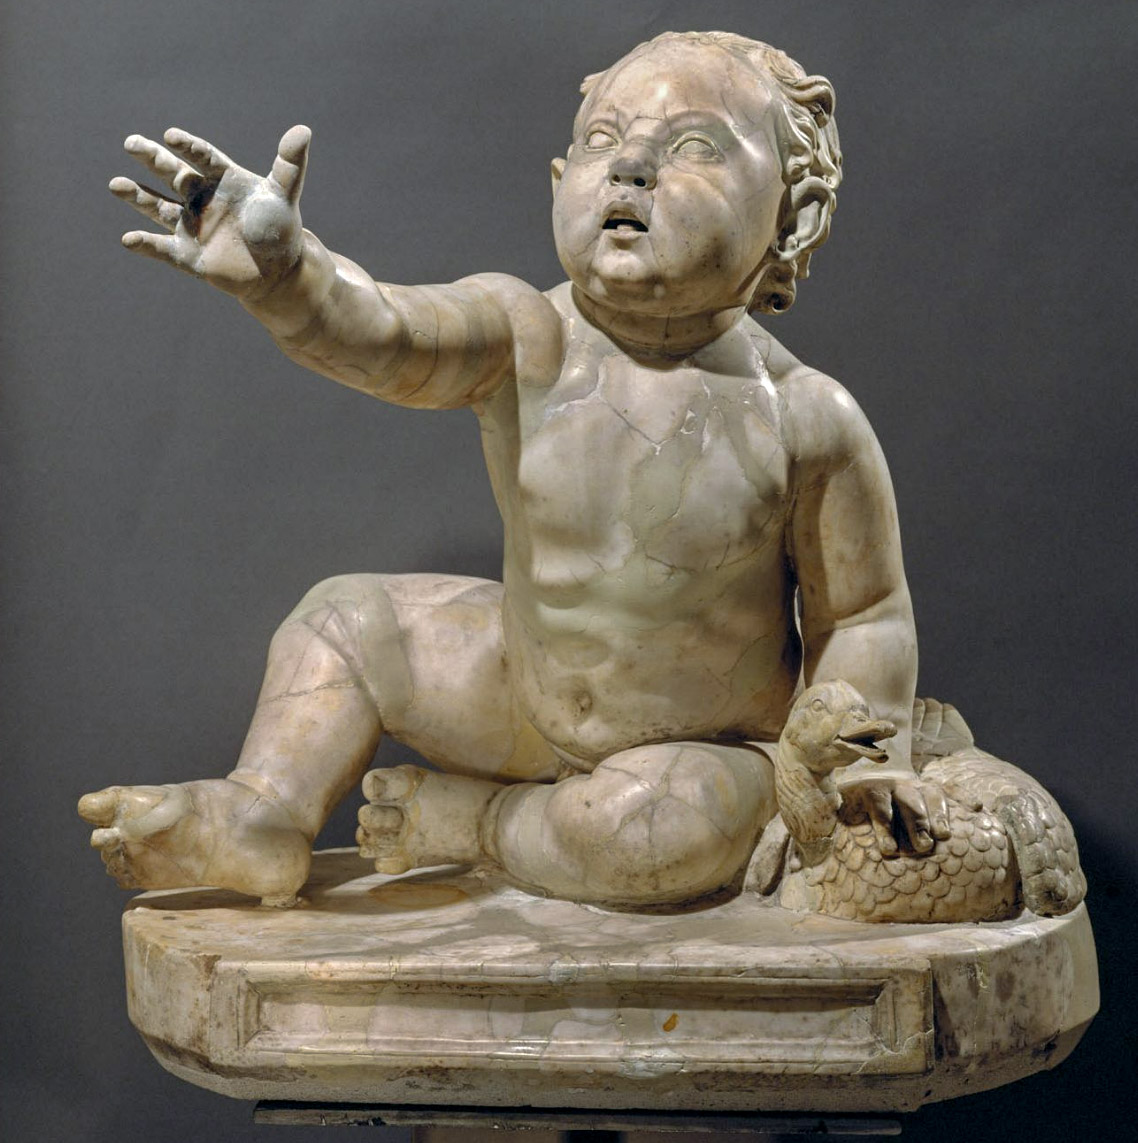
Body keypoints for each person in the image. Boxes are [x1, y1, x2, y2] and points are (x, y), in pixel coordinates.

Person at [79, 31, 948, 909]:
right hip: (522, 697)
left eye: (692, 147)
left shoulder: (804, 416)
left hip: (702, 750)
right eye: (604, 139)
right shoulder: (525, 333)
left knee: (655, 830)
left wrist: (857, 767)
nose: (631, 168)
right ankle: (264, 808)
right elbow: (385, 335)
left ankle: (483, 824)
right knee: (342, 617)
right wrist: (289, 278)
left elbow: (864, 617)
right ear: (559, 180)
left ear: (793, 218)